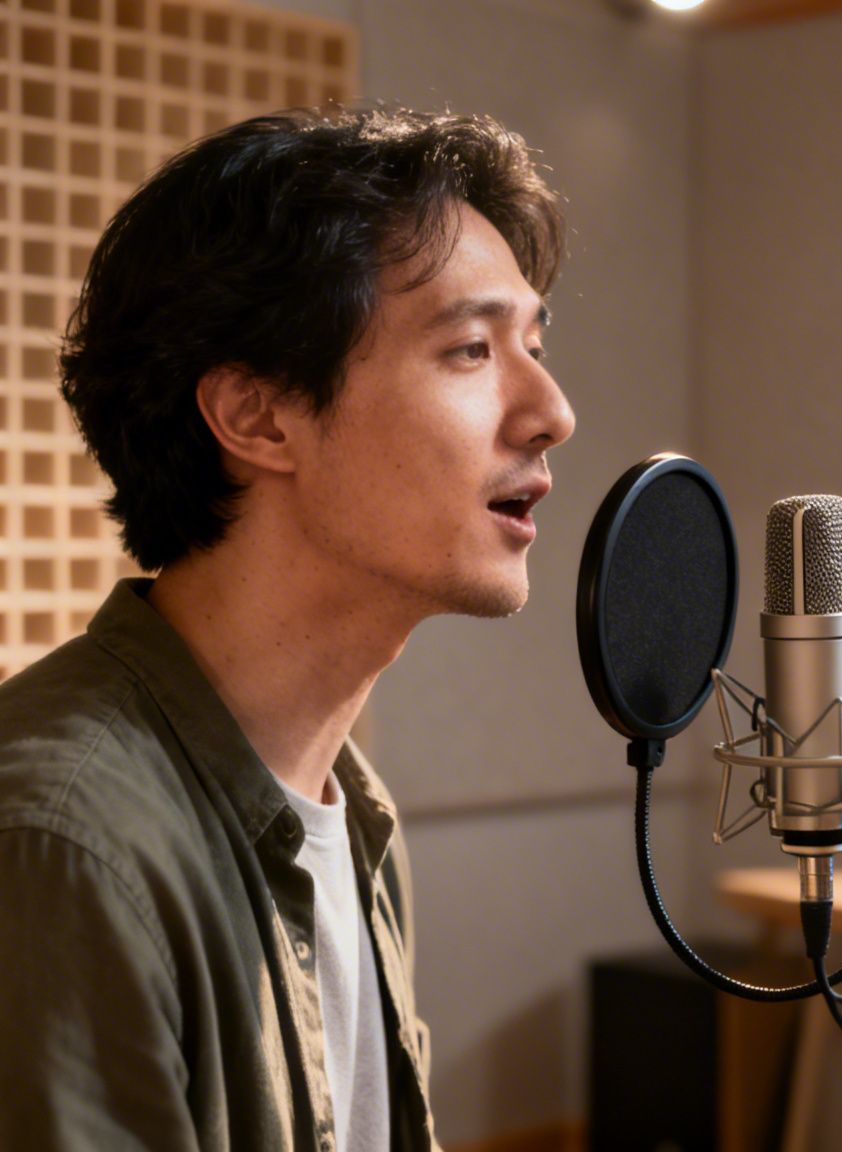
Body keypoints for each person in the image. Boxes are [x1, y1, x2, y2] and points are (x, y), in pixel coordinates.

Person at [0, 107, 575, 1151]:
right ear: (257, 416)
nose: (549, 410)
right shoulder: (63, 845)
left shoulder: (352, 812)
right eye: (469, 349)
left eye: (533, 346)